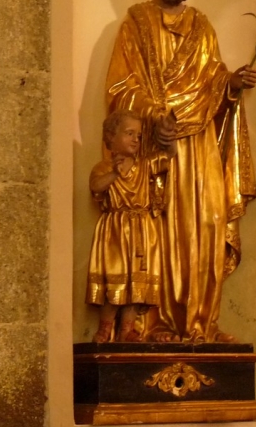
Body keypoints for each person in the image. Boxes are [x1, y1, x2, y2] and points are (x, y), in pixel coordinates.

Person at [104, 0, 256, 343]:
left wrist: (232, 84)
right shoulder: (135, 24)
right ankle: (156, 325)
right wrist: (154, 115)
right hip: (159, 146)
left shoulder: (202, 27)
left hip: (201, 143)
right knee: (163, 233)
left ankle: (202, 324)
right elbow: (120, 87)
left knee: (207, 225)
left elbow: (212, 80)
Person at [85, 109, 175, 343]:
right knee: (115, 282)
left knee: (136, 284)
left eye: (139, 135)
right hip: (116, 230)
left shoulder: (145, 165)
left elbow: (169, 158)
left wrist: (168, 138)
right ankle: (105, 329)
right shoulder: (103, 167)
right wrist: (115, 172)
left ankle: (127, 329)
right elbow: (96, 186)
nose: (136, 139)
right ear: (111, 137)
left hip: (142, 229)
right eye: (129, 133)